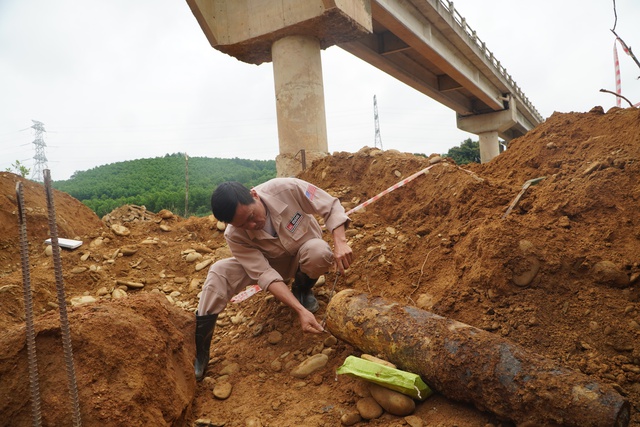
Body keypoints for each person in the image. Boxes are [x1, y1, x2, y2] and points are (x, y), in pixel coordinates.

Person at [194, 177, 353, 381]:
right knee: (219, 270)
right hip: (272, 264)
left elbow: (330, 205)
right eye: (244, 225)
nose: (253, 225)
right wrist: (300, 311)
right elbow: (265, 275)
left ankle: (302, 289)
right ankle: (200, 352)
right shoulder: (234, 235)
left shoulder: (287, 188)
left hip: (302, 254)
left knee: (319, 252)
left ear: (254, 195)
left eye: (252, 216)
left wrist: (340, 243)